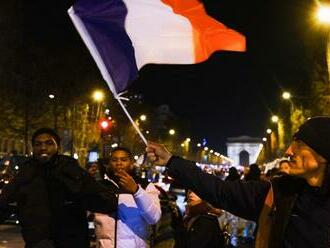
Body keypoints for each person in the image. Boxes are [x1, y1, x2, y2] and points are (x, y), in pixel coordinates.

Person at [146, 116, 330, 247]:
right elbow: (220, 191)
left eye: (299, 144)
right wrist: (172, 161)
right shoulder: (276, 194)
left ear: (323, 153)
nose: (288, 151)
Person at [0, 128, 117, 248]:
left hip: (72, 242)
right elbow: (5, 203)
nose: (43, 148)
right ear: (33, 148)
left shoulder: (71, 170)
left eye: (49, 143)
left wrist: (77, 190)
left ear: (58, 147)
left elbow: (104, 201)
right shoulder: (26, 174)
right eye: (38, 144)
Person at [92, 147, 161, 248]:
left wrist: (137, 191)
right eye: (114, 160)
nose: (119, 163)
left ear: (131, 162)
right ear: (109, 163)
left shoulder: (145, 186)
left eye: (124, 160)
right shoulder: (99, 187)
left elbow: (154, 218)